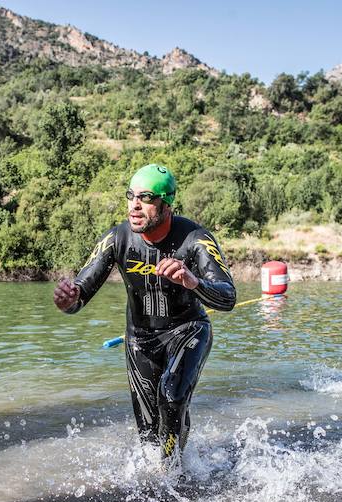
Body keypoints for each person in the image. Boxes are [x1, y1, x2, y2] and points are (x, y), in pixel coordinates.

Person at [53, 164, 236, 465]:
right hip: (140, 339)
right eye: (131, 196)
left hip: (188, 331)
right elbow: (80, 294)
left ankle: (175, 471)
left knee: (172, 397)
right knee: (148, 431)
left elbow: (227, 297)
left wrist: (193, 281)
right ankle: (159, 473)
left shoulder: (195, 238)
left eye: (146, 198)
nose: (135, 205)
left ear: (166, 204)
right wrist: (68, 302)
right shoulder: (117, 239)